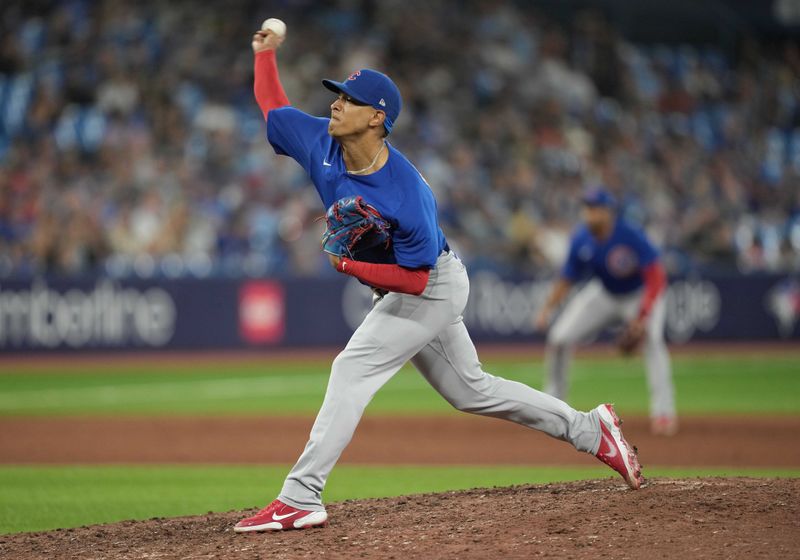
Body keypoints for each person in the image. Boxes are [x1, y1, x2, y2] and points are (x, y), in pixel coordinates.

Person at [234, 25, 644, 534]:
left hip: (433, 284)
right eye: (336, 95)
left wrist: (350, 266)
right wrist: (265, 55)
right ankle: (590, 429)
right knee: (472, 391)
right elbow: (273, 105)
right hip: (414, 285)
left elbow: (413, 280)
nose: (336, 104)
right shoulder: (318, 139)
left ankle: (301, 496)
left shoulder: (406, 195)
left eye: (349, 99)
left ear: (377, 118)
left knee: (351, 369)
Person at [535, 188, 677, 436]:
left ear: (608, 211)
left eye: (595, 208)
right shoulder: (581, 239)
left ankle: (663, 413)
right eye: (587, 208)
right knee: (558, 338)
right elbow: (567, 278)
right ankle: (553, 405)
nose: (589, 213)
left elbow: (655, 275)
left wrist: (643, 316)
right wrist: (547, 309)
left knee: (653, 341)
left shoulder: (629, 234)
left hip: (639, 294)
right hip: (605, 293)